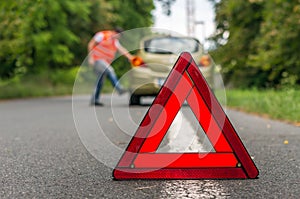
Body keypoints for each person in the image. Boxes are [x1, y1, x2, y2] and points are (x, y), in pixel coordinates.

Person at [88, 27, 133, 106]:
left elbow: (122, 50)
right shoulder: (102, 35)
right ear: (114, 32)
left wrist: (130, 57)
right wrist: (90, 57)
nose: (119, 37)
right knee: (110, 70)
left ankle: (95, 100)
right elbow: (91, 44)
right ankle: (119, 88)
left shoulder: (115, 42)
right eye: (119, 35)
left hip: (105, 62)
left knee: (100, 81)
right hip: (97, 59)